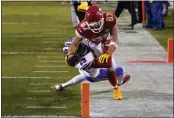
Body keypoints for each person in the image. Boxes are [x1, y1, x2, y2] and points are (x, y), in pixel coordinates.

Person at [67, 6, 123, 100]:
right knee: (92, 66)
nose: (95, 27)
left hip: (106, 41)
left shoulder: (110, 19)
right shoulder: (83, 27)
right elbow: (75, 43)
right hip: (93, 44)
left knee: (111, 65)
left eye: (96, 24)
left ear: (102, 18)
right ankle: (88, 72)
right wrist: (69, 54)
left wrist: (108, 53)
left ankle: (115, 88)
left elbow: (115, 40)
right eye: (92, 25)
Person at [53, 40, 130, 96]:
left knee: (83, 76)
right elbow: (104, 63)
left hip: (84, 71)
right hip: (94, 75)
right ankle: (119, 83)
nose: (79, 46)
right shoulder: (87, 60)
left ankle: (62, 86)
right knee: (120, 70)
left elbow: (74, 42)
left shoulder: (73, 56)